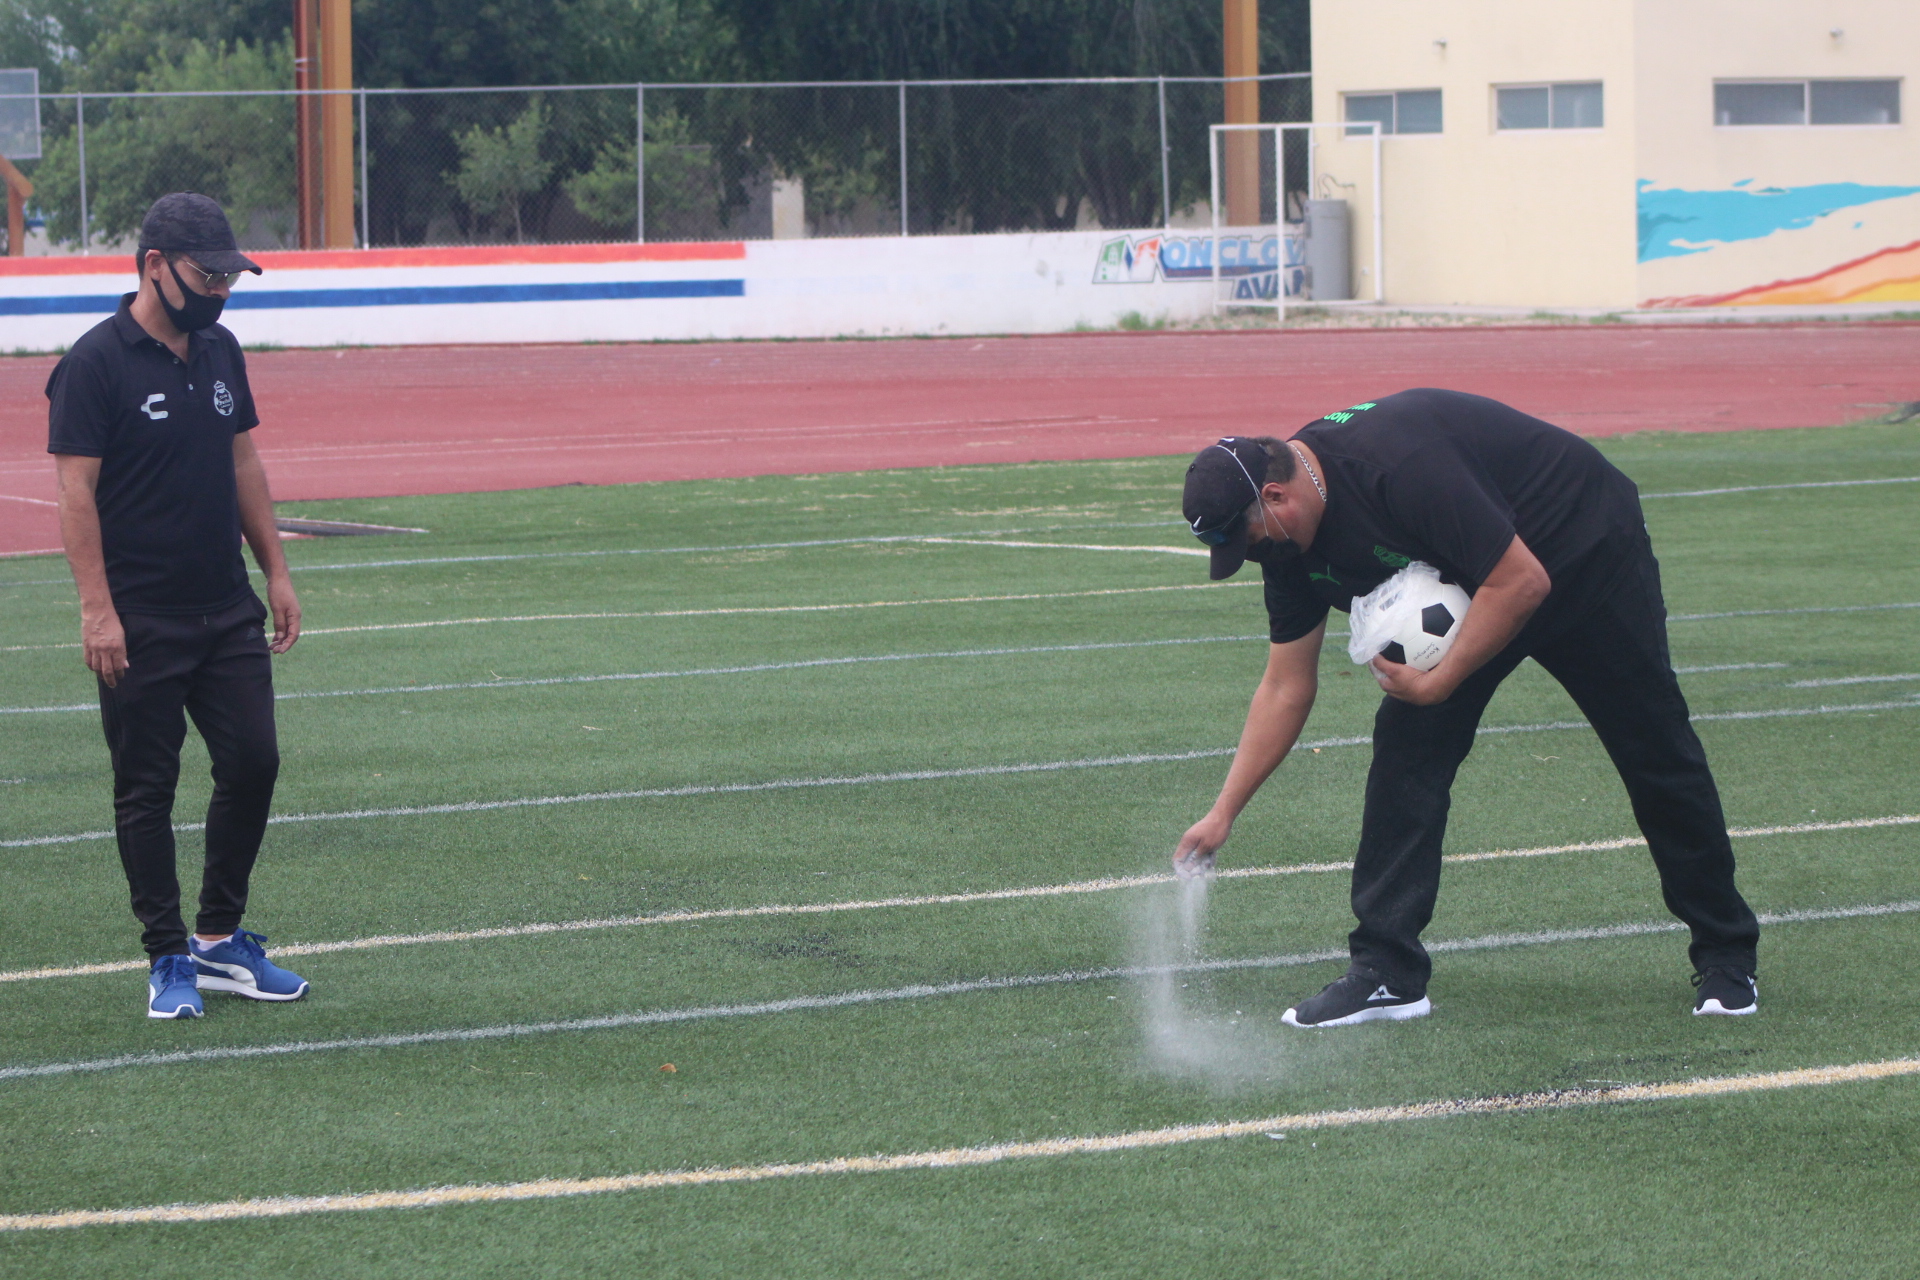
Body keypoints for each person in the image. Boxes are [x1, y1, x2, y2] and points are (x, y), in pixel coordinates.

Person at [1173, 389, 1760, 1027]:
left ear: (1278, 496)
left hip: (1580, 545)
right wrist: (1223, 812)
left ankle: (1727, 956)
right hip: (1476, 576)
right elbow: (1286, 685)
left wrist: (1441, 680)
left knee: (1653, 746)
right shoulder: (1289, 540)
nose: (1256, 554)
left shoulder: (1396, 466)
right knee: (1406, 752)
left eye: (1250, 539)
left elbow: (1522, 581)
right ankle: (1387, 972)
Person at [48, 192, 310, 1020]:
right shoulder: (93, 364)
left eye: (231, 276)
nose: (222, 291)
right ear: (154, 266)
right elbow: (74, 493)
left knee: (254, 763)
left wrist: (275, 570)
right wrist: (98, 610)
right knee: (145, 791)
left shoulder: (222, 350)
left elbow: (243, 465)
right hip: (140, 620)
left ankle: (219, 938)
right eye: (209, 275)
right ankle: (167, 957)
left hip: (224, 609)